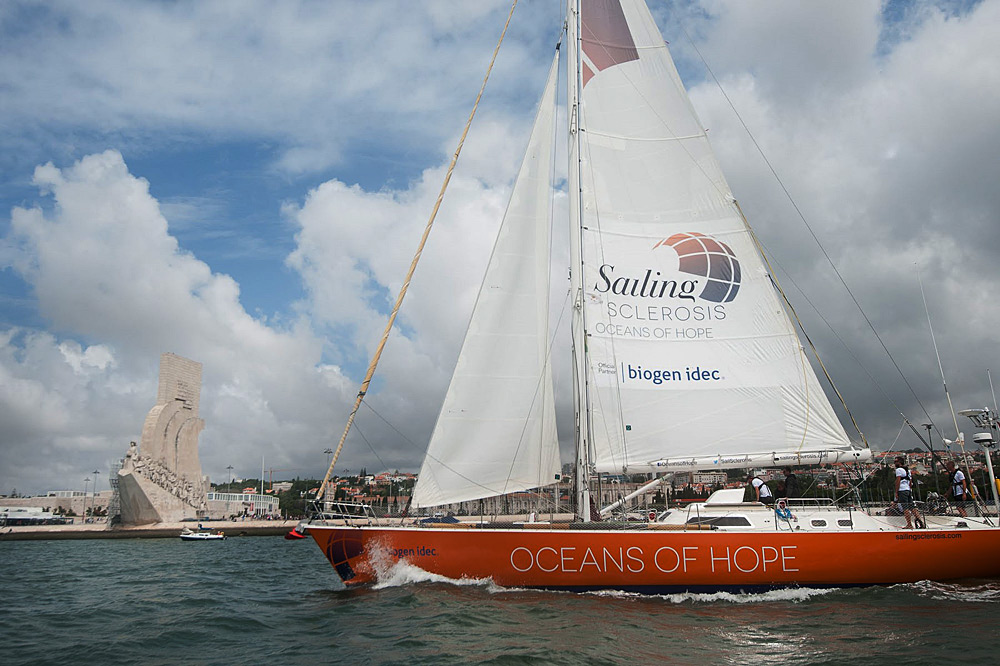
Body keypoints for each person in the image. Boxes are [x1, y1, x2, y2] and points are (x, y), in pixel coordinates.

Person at [894, 457, 922, 529]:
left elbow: (898, 481)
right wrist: (909, 489)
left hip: (902, 490)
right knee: (912, 507)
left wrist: (896, 492)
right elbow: (910, 482)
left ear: (899, 462)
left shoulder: (899, 470)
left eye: (896, 462)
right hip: (908, 490)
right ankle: (921, 522)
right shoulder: (908, 471)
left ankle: (909, 524)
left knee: (905, 508)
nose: (894, 463)